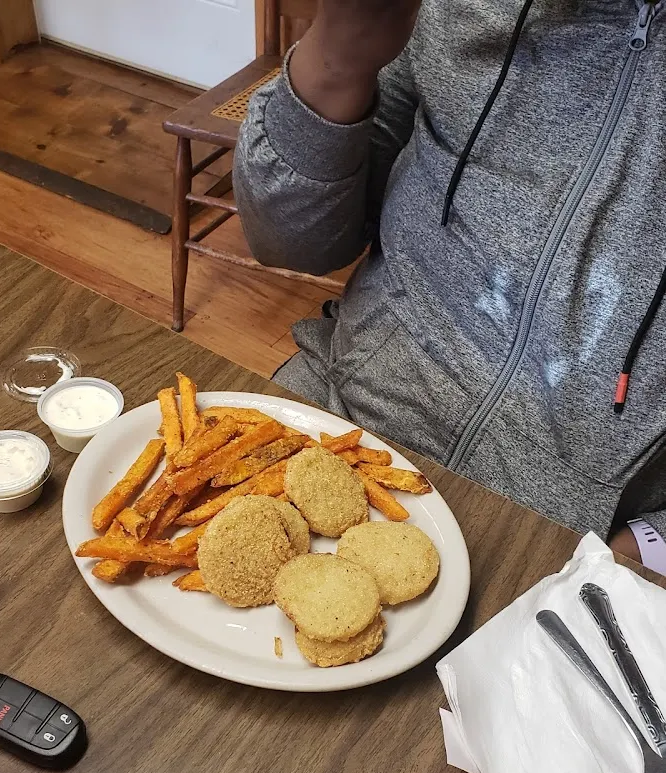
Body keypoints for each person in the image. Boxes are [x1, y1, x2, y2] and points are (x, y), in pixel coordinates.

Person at [233, 0, 666, 570]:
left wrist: (650, 544)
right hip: (336, 416)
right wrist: (336, 56)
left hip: (569, 544)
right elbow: (293, 243)